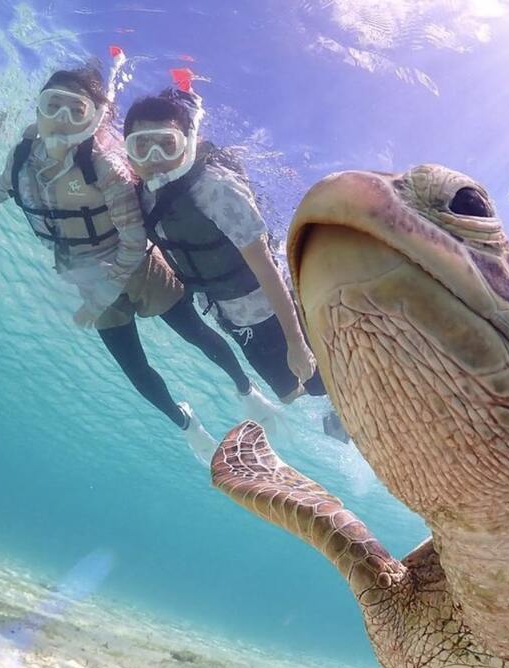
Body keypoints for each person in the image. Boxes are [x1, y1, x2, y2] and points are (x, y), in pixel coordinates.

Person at [0, 54, 277, 463]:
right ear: (38, 108)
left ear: (92, 118)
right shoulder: (21, 160)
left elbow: (134, 240)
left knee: (196, 334)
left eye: (76, 110)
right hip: (85, 278)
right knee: (134, 368)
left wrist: (105, 292)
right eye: (53, 105)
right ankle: (188, 426)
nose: (62, 119)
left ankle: (246, 390)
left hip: (139, 269)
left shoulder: (105, 167)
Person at [122, 74, 347, 441]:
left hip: (272, 309)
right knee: (290, 393)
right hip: (232, 318)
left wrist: (295, 342)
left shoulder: (216, 189)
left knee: (318, 377)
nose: (154, 159)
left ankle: (351, 403)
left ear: (187, 143)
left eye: (166, 144)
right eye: (141, 147)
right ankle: (334, 406)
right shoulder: (146, 196)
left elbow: (267, 269)